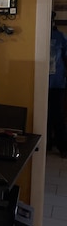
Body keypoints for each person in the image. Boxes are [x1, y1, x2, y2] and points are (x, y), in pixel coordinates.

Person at [48, 11, 67, 157]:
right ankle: (46, 145)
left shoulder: (60, 37)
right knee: (44, 116)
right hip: (41, 84)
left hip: (57, 84)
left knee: (58, 116)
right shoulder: (39, 35)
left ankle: (62, 147)